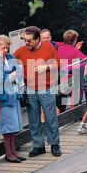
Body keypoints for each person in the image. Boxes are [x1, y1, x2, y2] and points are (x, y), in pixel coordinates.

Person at [13, 26, 62, 157]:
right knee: (33, 120)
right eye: (25, 39)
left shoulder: (49, 48)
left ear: (37, 39)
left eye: (29, 40)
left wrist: (45, 67)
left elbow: (58, 64)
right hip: (29, 89)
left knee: (50, 117)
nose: (26, 43)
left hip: (47, 88)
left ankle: (54, 144)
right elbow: (9, 62)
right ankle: (38, 146)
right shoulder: (20, 51)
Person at [0, 35, 25, 163]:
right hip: (3, 98)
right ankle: (8, 153)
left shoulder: (10, 57)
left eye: (7, 47)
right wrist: (13, 75)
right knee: (6, 126)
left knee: (14, 126)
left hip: (14, 94)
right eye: (3, 48)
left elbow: (19, 74)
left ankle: (14, 151)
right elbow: (1, 80)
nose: (6, 50)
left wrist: (13, 76)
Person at [57, 29, 87, 109]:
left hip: (60, 79)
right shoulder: (75, 52)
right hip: (71, 80)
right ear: (74, 40)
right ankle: (75, 114)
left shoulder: (59, 49)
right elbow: (86, 61)